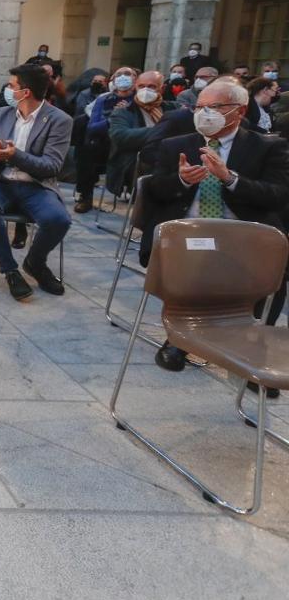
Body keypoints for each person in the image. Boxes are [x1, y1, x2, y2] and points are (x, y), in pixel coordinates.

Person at [141, 81, 289, 373]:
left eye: (215, 107)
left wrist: (230, 178)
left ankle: (254, 343)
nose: (205, 113)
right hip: (189, 232)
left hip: (242, 231)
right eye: (200, 107)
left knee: (274, 270)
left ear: (239, 111)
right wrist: (182, 180)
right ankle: (182, 335)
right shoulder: (176, 144)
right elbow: (155, 190)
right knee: (195, 257)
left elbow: (277, 194)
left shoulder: (267, 146)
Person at [0, 64, 73, 301]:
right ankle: (10, 270)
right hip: (1, 181)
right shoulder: (2, 114)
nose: (7, 89)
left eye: (11, 85)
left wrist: (15, 155)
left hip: (36, 186)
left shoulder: (59, 120)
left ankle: (35, 262)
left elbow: (51, 166)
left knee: (58, 220)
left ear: (25, 92)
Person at [74, 66, 137, 213]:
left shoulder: (139, 99)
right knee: (86, 151)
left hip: (129, 142)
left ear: (135, 79)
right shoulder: (103, 99)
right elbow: (93, 127)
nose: (123, 77)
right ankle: (85, 196)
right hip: (104, 142)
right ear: (113, 80)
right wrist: (114, 116)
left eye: (128, 74)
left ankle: (132, 192)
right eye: (119, 75)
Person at [106, 71, 179, 198]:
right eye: (141, 86)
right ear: (135, 87)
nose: (146, 90)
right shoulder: (123, 112)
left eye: (152, 87)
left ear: (162, 89)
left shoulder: (174, 109)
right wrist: (162, 130)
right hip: (135, 160)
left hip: (172, 158)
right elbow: (121, 136)